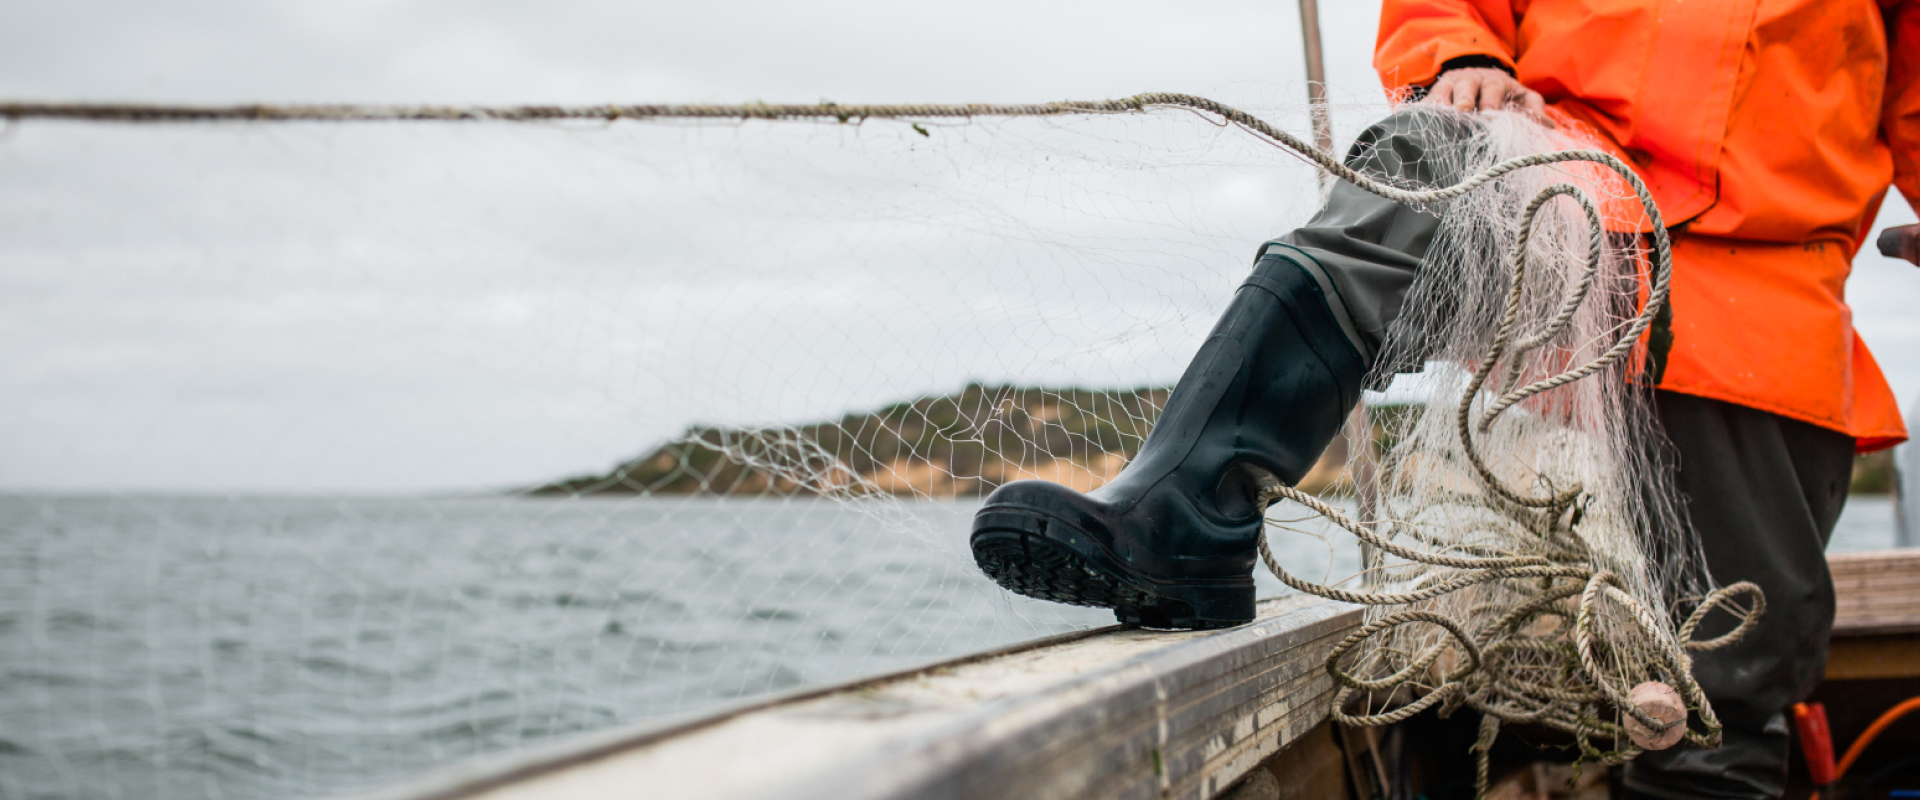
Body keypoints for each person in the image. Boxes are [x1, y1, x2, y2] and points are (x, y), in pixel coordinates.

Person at [971, 3, 1917, 798]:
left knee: (1725, 687)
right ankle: (1183, 517)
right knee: (1423, 155)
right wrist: (1460, 55)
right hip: (1550, 202)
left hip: (1767, 302)